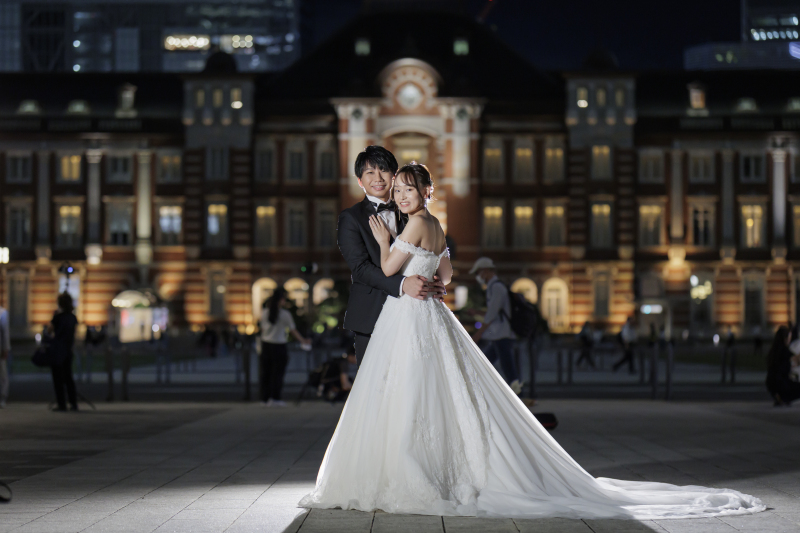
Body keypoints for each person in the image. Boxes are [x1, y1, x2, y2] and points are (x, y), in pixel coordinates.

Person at [298, 161, 764, 519]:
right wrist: (434, 281)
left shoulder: (413, 224)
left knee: (405, 392)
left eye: (407, 189)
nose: (400, 195)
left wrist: (383, 240)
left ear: (424, 192)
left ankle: (408, 468)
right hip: (431, 315)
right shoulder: (438, 226)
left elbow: (386, 271)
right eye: (397, 189)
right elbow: (447, 273)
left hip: (408, 316)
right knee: (439, 390)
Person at [337, 146, 445, 365]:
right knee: (374, 387)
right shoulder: (351, 218)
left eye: (383, 170)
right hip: (371, 313)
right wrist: (403, 284)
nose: (378, 178)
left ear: (394, 175)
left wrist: (435, 282)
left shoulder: (411, 212)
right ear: (360, 181)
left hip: (413, 314)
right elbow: (361, 268)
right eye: (370, 173)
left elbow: (426, 256)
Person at [469, 257, 522, 394]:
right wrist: (478, 312)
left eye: (478, 272)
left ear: (486, 271)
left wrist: (478, 334)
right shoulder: (493, 287)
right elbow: (495, 312)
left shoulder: (497, 287)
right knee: (486, 364)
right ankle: (516, 394)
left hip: (502, 335)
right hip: (499, 335)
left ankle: (519, 396)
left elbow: (492, 313)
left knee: (506, 369)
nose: (478, 276)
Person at [259, 288, 311, 407]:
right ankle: (275, 398)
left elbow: (262, 329)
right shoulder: (285, 314)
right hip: (279, 345)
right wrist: (303, 340)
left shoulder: (265, 312)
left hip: (266, 344)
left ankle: (264, 398)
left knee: (266, 372)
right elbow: (292, 330)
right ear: (281, 300)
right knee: (277, 373)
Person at [48, 292, 79, 412]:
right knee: (68, 377)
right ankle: (73, 402)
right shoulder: (73, 318)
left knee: (58, 378)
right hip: (68, 350)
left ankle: (62, 404)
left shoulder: (58, 317)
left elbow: (49, 331)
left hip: (57, 350)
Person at [766, 325, 800, 406]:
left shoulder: (773, 351)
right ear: (785, 338)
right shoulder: (785, 352)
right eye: (789, 337)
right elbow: (795, 359)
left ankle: (779, 397)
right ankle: (783, 397)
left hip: (771, 384)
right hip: (782, 384)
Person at [0, 304, 9, 408]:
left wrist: (5, 348)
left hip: (0, 349)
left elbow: (5, 332)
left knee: (2, 375)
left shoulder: (2, 313)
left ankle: (2, 397)